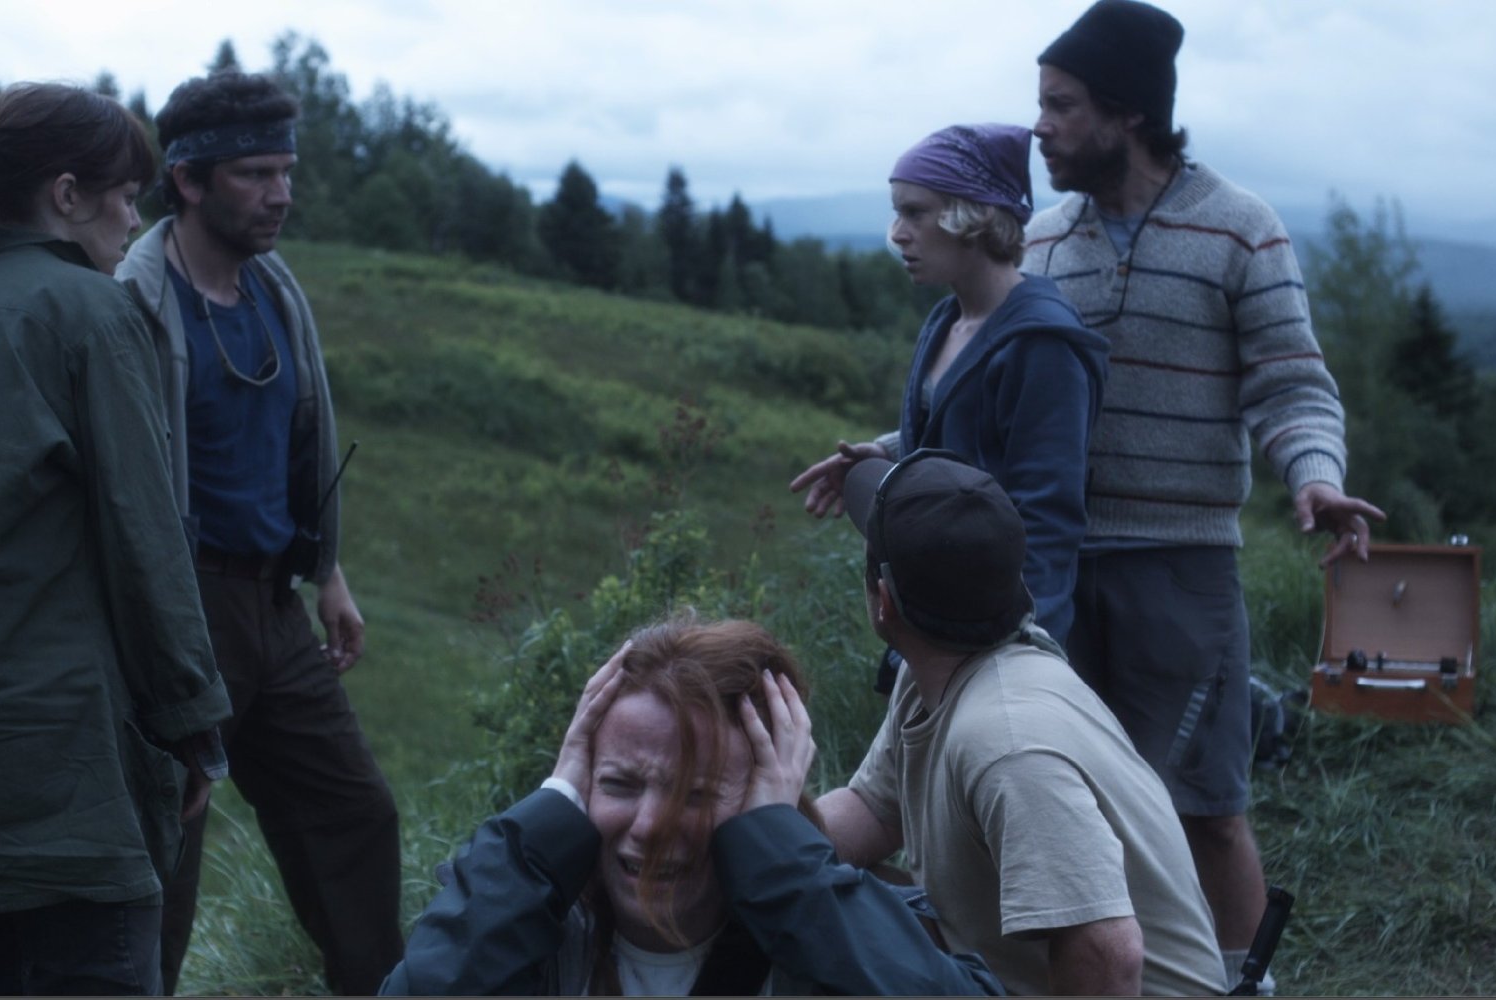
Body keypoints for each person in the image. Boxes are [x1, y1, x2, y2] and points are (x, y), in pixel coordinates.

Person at [1023, 1, 1386, 987]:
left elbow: (1292, 384)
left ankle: (1244, 983)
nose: (1040, 127)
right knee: (1075, 799)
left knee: (1205, 804)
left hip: (1182, 566)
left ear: (1129, 112)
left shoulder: (1240, 228)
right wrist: (898, 448)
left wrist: (1317, 478)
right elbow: (1002, 389)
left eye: (1062, 105)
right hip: (1053, 568)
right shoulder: (1041, 242)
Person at [0, 82, 231, 995]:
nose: (133, 219)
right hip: (63, 773)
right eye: (125, 196)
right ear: (66, 195)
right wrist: (192, 726)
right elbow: (145, 543)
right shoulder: (91, 313)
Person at [113, 69, 402, 995]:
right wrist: (160, 642)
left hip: (276, 607)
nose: (281, 194)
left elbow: (296, 440)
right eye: (254, 174)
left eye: (286, 171)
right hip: (182, 607)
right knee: (166, 851)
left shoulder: (275, 287)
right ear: (188, 180)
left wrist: (327, 573)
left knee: (354, 816)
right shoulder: (136, 300)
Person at [382, 615, 1005, 996]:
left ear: (768, 796)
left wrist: (789, 872)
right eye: (619, 784)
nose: (650, 825)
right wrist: (545, 823)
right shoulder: (520, 927)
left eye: (696, 794)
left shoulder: (837, 940)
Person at [816, 450, 1226, 996]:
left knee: (823, 934)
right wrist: (751, 836)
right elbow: (872, 810)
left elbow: (1108, 954)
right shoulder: (936, 672)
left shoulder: (1007, 745)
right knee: (816, 900)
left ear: (885, 601)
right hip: (1014, 972)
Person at [790, 124, 1107, 647]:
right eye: (897, 213)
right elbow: (968, 436)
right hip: (930, 624)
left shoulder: (1042, 344)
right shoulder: (947, 321)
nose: (898, 233)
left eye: (915, 213)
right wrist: (892, 451)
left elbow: (1047, 519)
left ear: (973, 215)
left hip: (994, 638)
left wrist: (1023, 648)